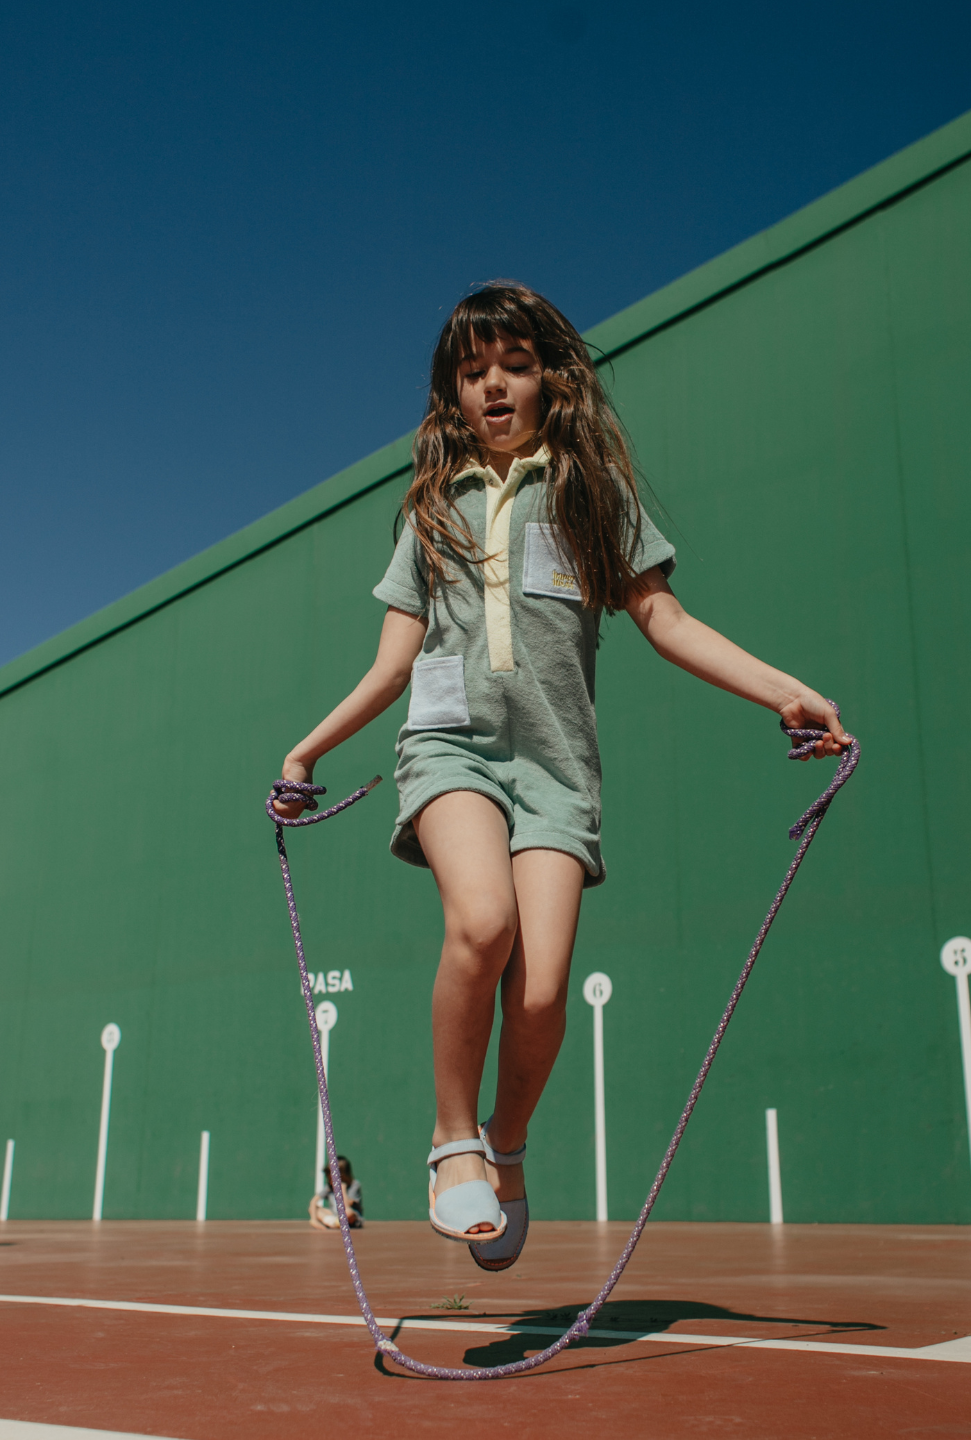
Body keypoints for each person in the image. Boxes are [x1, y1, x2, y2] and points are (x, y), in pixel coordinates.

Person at [275, 282, 851, 1272]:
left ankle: (507, 1144)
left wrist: (782, 691)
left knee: (541, 991)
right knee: (483, 923)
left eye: (513, 365)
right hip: (450, 752)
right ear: (452, 395)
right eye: (471, 372)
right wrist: (305, 749)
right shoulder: (429, 514)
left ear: (552, 378)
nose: (492, 385)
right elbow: (392, 663)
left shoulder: (591, 496)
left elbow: (666, 622)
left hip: (555, 768)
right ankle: (450, 1140)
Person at [309, 1156, 363, 1230]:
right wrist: (313, 1220)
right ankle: (334, 1222)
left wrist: (342, 1188)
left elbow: (346, 1206)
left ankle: (333, 1222)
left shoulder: (354, 1185)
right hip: (335, 1215)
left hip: (351, 1218)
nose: (330, 1179)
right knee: (313, 1209)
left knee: (348, 1212)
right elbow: (314, 1201)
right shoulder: (329, 1186)